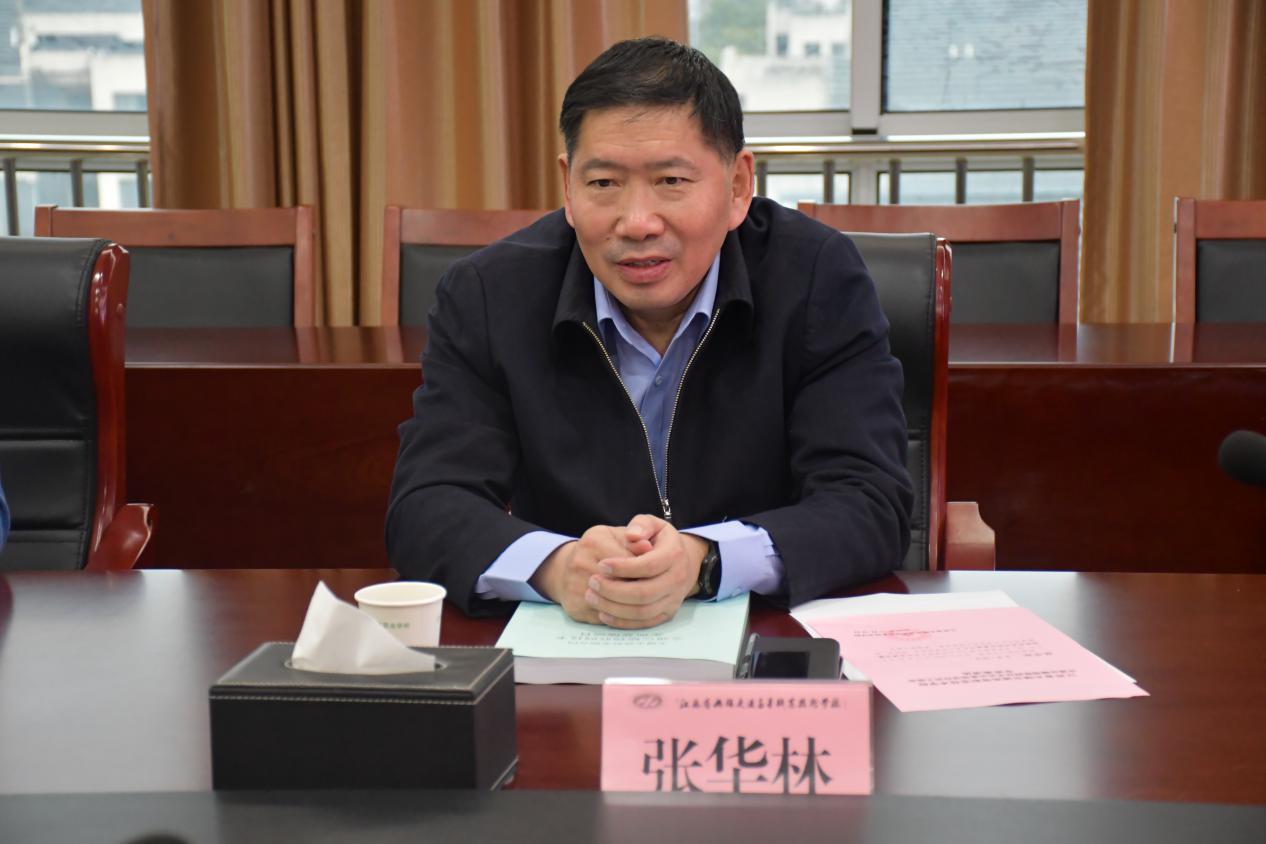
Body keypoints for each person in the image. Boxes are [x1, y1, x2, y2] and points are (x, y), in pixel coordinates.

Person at [387, 37, 911, 628]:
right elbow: (426, 505)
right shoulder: (489, 295)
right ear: (568, 186)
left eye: (671, 181)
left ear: (738, 186)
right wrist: (558, 568)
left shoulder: (815, 278)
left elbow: (870, 502)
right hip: (572, 642)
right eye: (603, 184)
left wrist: (704, 560)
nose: (637, 223)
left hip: (766, 642)